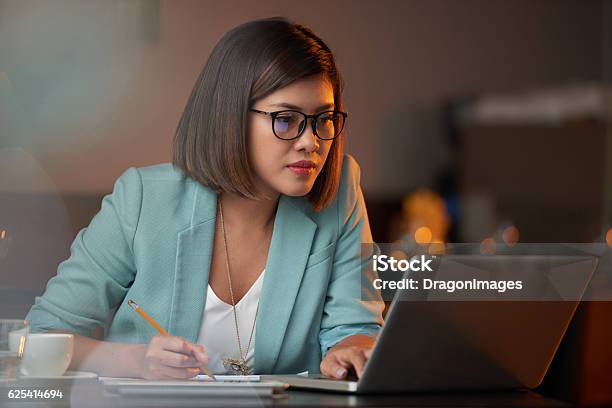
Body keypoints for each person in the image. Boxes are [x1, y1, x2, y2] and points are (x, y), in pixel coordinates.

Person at [25, 17, 383, 380]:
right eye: (286, 119)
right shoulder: (143, 199)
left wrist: (348, 353)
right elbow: (41, 339)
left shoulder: (340, 194)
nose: (312, 141)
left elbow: (355, 328)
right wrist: (135, 361)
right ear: (230, 117)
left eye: (323, 118)